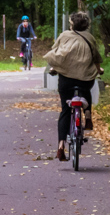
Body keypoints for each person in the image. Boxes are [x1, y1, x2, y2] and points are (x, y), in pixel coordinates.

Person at [44, 11, 103, 162]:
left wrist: (53, 68)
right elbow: (96, 57)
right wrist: (98, 69)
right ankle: (88, 115)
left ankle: (60, 146)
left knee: (65, 109)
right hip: (85, 78)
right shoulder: (90, 38)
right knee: (85, 90)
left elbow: (57, 53)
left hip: (66, 79)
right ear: (86, 25)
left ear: (71, 24)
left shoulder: (64, 36)